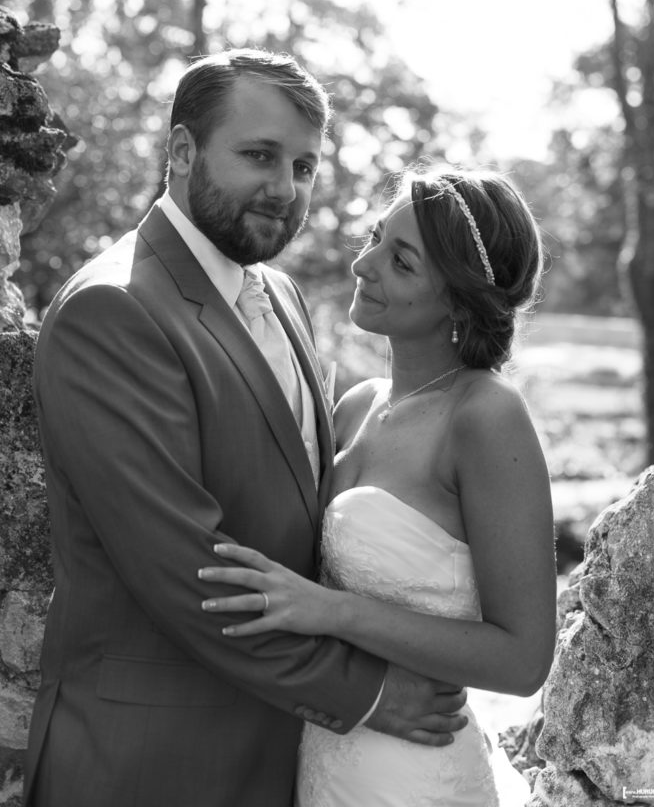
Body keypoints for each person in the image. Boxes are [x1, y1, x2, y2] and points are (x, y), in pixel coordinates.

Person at [23, 51, 468, 807]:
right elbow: (185, 569)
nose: (283, 188)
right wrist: (362, 693)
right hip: (148, 761)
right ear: (183, 151)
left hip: (284, 752)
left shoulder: (281, 294)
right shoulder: (115, 309)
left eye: (303, 166)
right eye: (259, 156)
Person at [198, 165, 558, 807]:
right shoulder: (356, 405)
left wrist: (331, 609)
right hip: (325, 750)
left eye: (402, 261)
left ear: (457, 297)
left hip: (415, 774)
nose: (365, 265)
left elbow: (524, 660)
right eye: (375, 238)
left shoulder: (486, 416)